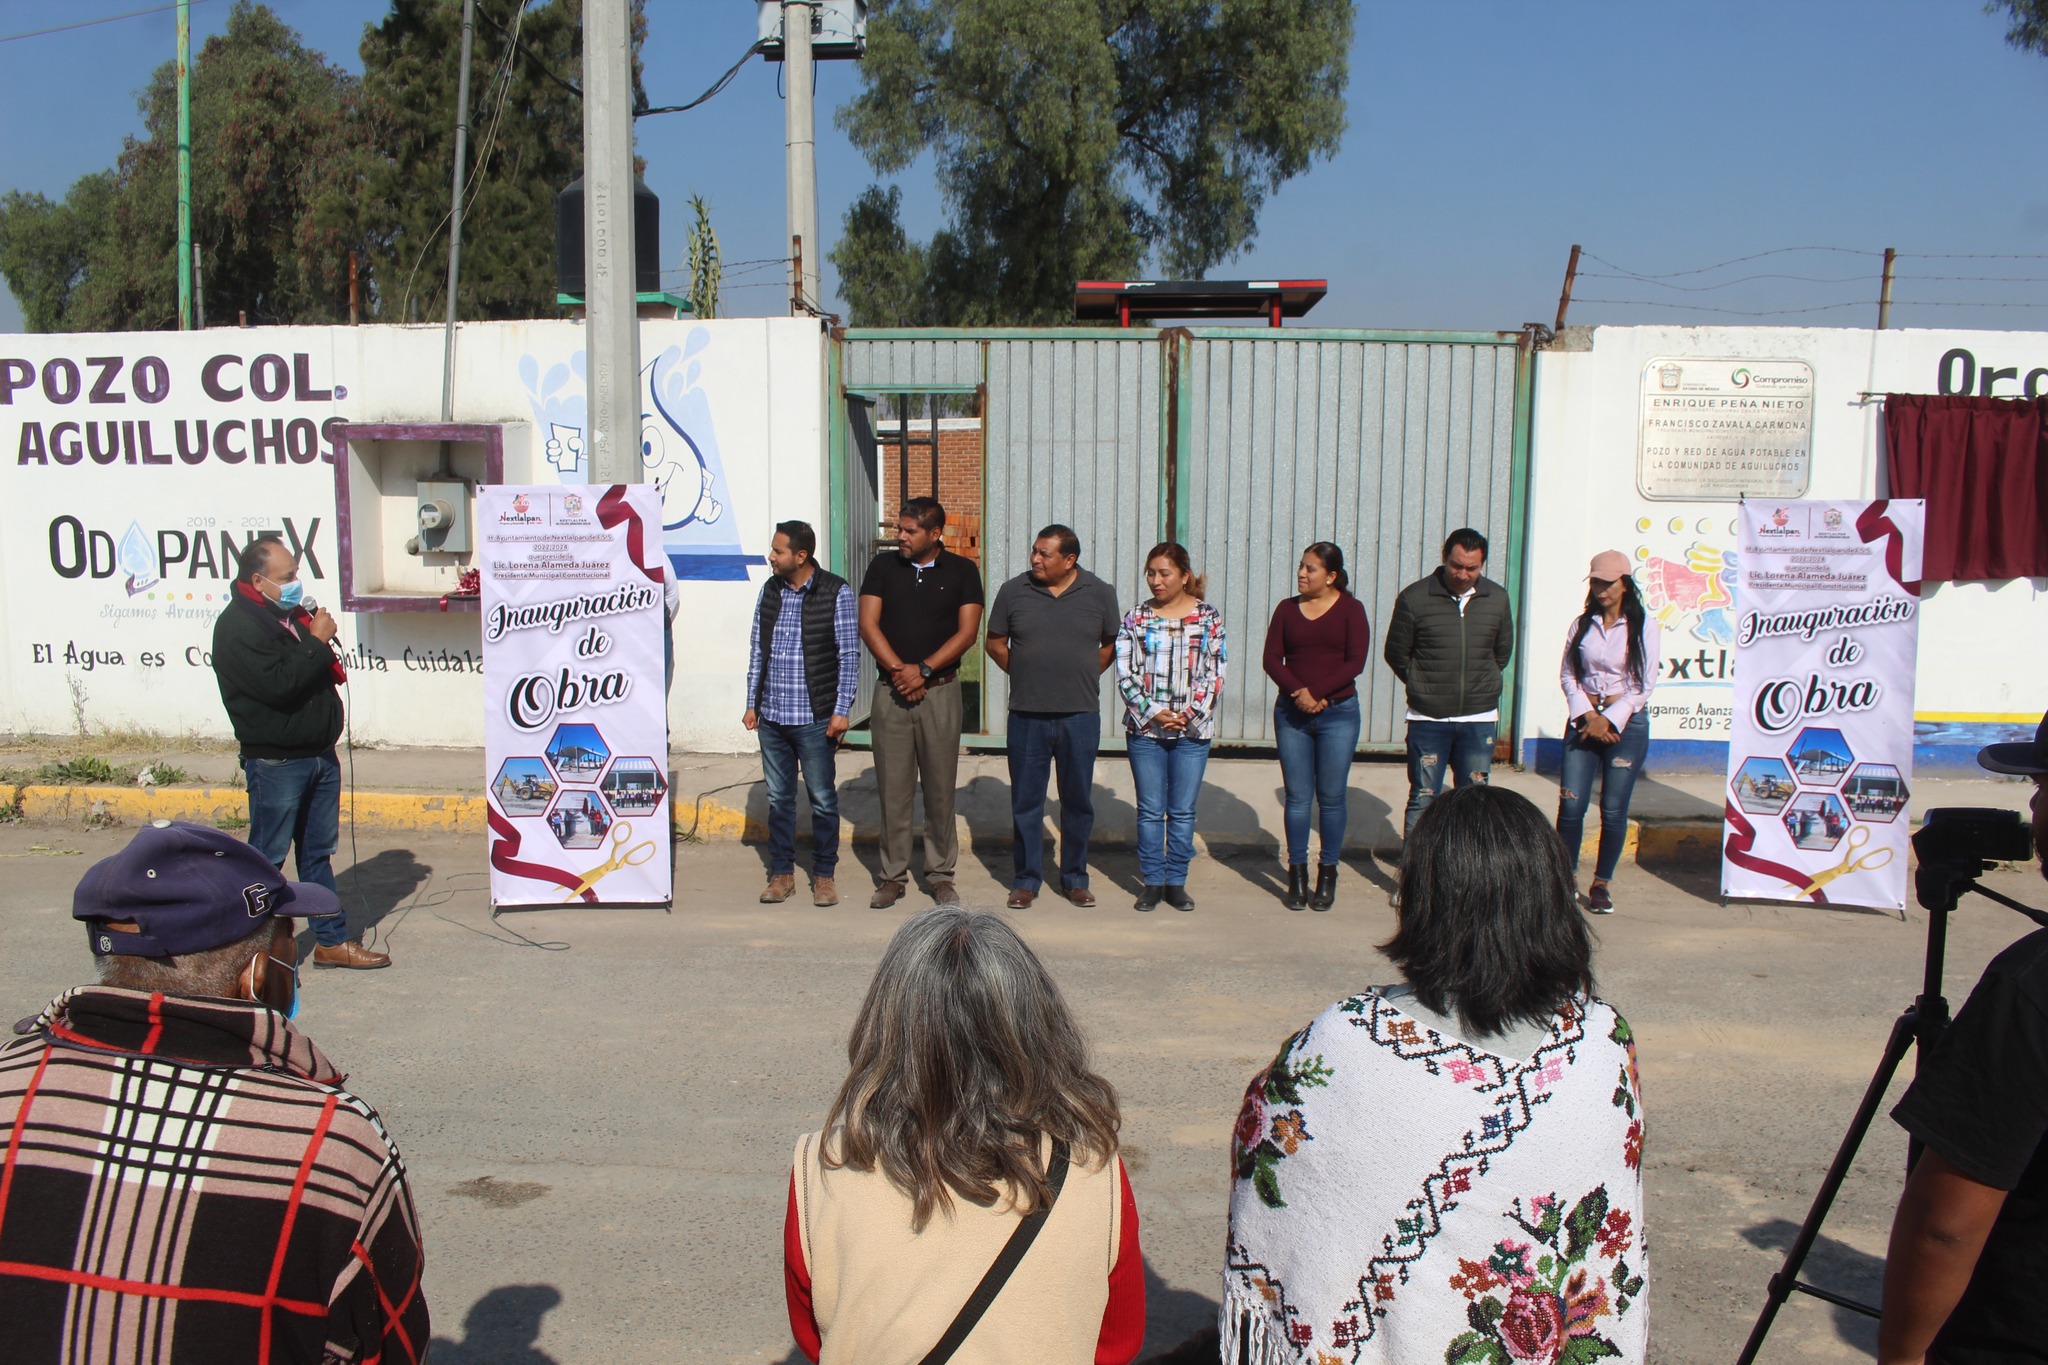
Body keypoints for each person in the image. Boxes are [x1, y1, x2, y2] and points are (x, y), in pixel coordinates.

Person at [1224, 785, 1647, 1363]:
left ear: (1423, 898)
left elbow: (1267, 1146)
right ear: (1552, 896)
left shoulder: (1347, 1040)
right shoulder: (1603, 1040)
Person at [0, 821, 429, 1360]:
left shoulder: (8, 1086)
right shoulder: (332, 1145)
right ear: (256, 976)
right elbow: (388, 1344)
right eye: (285, 948)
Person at [784, 908, 1144, 1364]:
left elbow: (815, 1336)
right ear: (1038, 1027)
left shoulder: (825, 1166)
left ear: (885, 1026)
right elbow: (1115, 1344)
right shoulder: (1095, 1170)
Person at [1878, 708, 2048, 1365]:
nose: (2032, 804)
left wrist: (1901, 1356)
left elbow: (1945, 1223)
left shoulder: (2031, 985)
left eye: (2042, 783)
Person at [211, 536, 387, 969]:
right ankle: (247, 951)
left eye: (295, 575)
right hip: (277, 762)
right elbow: (279, 685)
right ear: (258, 580)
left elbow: (306, 676)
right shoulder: (239, 626)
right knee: (266, 860)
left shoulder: (286, 615)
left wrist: (313, 636)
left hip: (318, 756)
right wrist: (315, 642)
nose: (294, 583)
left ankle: (330, 939)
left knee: (316, 856)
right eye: (286, 577)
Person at [986, 525, 1123, 910]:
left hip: (1080, 715)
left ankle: (1075, 878)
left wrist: (1079, 673)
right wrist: (1025, 672)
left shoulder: (1100, 593)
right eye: (1034, 551)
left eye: (1045, 554)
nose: (1035, 559)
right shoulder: (1014, 591)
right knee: (1026, 802)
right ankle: (1026, 879)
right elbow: (994, 642)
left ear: (1069, 560)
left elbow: (1110, 644)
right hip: (1026, 716)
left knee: (1077, 801)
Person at [858, 497, 986, 909]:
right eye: (900, 529)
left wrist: (925, 670)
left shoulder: (963, 572)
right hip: (891, 692)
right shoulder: (883, 568)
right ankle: (892, 876)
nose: (901, 537)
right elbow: (867, 623)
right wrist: (900, 670)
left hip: (942, 692)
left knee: (939, 790)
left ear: (935, 534)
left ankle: (940, 875)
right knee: (893, 790)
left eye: (910, 531)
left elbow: (968, 633)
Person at [744, 520, 859, 907]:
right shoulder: (770, 591)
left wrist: (841, 710)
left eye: (777, 551)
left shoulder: (835, 591)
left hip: (814, 719)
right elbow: (758, 649)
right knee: (780, 800)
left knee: (823, 799)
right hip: (774, 717)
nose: (771, 557)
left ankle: (824, 877)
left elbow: (849, 654)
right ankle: (782, 874)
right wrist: (751, 703)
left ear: (801, 556)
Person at [1385, 527, 1517, 840]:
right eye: (1456, 565)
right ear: (1444, 558)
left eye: (1471, 568)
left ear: (1482, 565)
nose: (1462, 574)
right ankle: (1416, 878)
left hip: (1478, 718)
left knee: (1474, 800)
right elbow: (1396, 652)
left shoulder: (1496, 599)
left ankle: (1468, 874)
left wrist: (1478, 685)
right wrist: (1424, 684)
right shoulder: (1415, 598)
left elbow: (1501, 653)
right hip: (1428, 719)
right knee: (1424, 796)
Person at [1116, 543, 1227, 913]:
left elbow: (1215, 672)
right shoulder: (1136, 618)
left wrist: (1190, 715)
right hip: (1145, 731)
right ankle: (1152, 881)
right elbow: (1125, 672)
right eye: (1151, 572)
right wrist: (1152, 712)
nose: (1156, 580)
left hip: (1192, 733)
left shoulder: (1208, 617)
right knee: (1150, 810)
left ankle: (1176, 881)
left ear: (1184, 576)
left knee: (1181, 811)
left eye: (1164, 573)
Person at [1262, 542, 1370, 911]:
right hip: (1292, 715)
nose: (1302, 574)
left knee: (1332, 796)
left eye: (1311, 569)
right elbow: (1271, 659)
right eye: (1301, 567)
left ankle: (1328, 872)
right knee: (1297, 798)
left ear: (1332, 576)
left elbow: (1356, 661)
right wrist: (1299, 692)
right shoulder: (1286, 610)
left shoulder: (1351, 610)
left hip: (1338, 714)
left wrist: (1319, 693)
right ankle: (1297, 874)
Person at [1555, 550, 1661, 915]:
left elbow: (1643, 686)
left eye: (1608, 582)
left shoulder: (1643, 625)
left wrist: (1610, 719)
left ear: (1625, 584)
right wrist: (1587, 715)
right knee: (1571, 805)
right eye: (1596, 582)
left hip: (1625, 726)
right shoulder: (1583, 624)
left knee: (1613, 811)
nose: (1601, 589)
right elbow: (1569, 674)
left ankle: (1601, 885)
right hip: (1583, 722)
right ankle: (1564, 880)